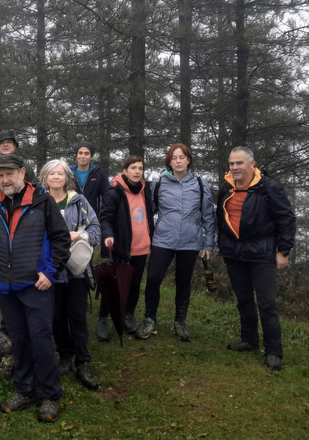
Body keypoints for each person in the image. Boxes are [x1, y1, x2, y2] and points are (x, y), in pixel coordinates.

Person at [0, 155, 71, 423]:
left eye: (9, 173)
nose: (5, 179)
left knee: (41, 340)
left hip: (36, 285)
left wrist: (50, 272)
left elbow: (61, 240)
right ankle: (25, 390)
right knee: (19, 341)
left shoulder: (43, 202)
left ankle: (50, 395)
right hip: (8, 288)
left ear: (22, 172)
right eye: (0, 175)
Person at [217, 147, 295, 371]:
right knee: (243, 299)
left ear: (252, 164)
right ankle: (249, 340)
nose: (234, 168)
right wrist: (224, 250)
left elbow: (286, 219)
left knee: (267, 303)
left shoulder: (269, 188)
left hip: (262, 251)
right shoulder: (226, 187)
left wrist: (283, 251)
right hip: (234, 252)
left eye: (239, 163)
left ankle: (273, 352)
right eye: (232, 164)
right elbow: (221, 221)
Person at [136, 144, 215, 341]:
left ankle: (180, 322)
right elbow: (147, 212)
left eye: (182, 157)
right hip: (163, 239)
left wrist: (209, 244)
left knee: (183, 282)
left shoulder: (199, 183)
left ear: (189, 160)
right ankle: (149, 320)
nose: (178, 161)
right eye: (174, 158)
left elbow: (208, 216)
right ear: (169, 162)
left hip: (190, 241)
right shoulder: (159, 183)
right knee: (153, 278)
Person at [39, 160, 101, 390]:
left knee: (77, 316)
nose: (56, 177)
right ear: (45, 178)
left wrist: (82, 236)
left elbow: (96, 228)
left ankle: (83, 361)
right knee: (55, 316)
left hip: (76, 270)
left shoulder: (79, 200)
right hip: (49, 270)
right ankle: (64, 356)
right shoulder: (39, 202)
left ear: (67, 177)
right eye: (51, 173)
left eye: (60, 173)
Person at [97, 155, 154, 341]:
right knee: (113, 285)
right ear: (125, 171)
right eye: (133, 168)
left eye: (140, 168)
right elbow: (105, 217)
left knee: (134, 285)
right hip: (121, 247)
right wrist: (107, 235)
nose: (137, 171)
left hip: (142, 247)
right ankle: (103, 319)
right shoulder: (114, 192)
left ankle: (128, 316)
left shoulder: (146, 190)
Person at [0, 130, 36, 311]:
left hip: (21, 216)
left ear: (15, 145)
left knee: (19, 254)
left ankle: (23, 291)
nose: (6, 145)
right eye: (2, 142)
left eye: (9, 142)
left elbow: (33, 189)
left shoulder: (25, 166)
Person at [69, 142, 110, 216]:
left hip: (92, 217)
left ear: (91, 156)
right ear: (76, 155)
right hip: (71, 217)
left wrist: (103, 215)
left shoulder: (98, 173)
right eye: (80, 153)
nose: (83, 156)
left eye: (86, 153)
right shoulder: (68, 173)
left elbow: (107, 196)